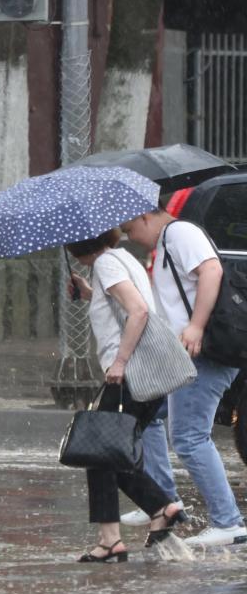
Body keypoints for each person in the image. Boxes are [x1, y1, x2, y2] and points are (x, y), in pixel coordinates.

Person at [121, 209, 245, 546]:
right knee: (148, 416)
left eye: (130, 228)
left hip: (205, 352)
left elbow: (212, 270)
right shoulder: (164, 245)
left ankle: (228, 522)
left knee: (189, 436)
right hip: (185, 355)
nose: (129, 236)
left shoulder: (180, 233)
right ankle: (163, 502)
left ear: (146, 216)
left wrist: (196, 326)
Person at [66, 230, 189, 562]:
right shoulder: (120, 259)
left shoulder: (106, 263)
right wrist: (90, 292)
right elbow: (122, 308)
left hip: (131, 373)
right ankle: (159, 509)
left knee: (99, 451)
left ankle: (115, 537)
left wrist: (120, 361)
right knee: (110, 453)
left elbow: (138, 311)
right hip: (143, 373)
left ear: (76, 245)